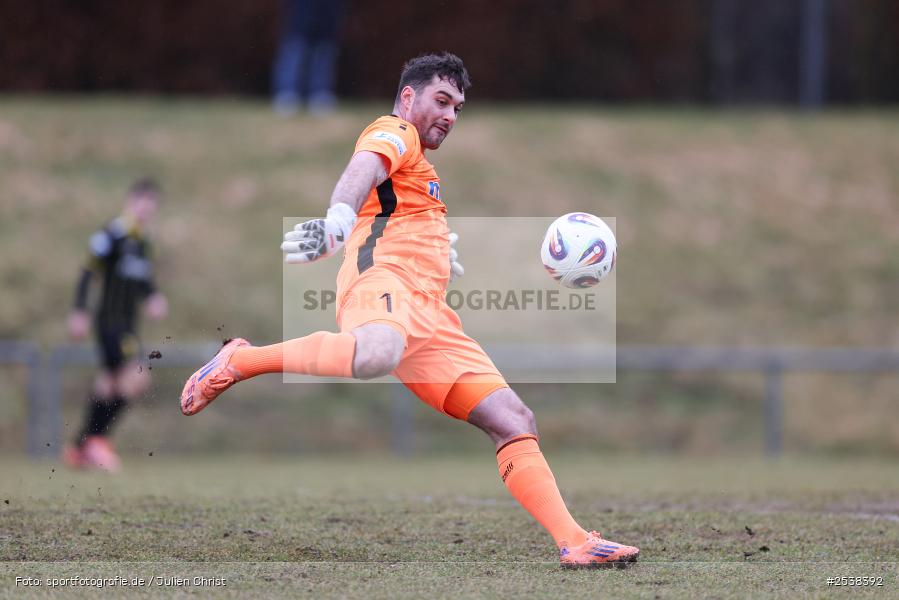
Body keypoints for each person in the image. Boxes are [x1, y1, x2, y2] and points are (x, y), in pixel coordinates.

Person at [181, 53, 639, 568]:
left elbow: (398, 208)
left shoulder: (422, 168)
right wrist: (336, 219)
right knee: (376, 353)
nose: (449, 114)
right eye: (441, 100)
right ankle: (242, 360)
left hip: (430, 313)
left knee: (513, 419)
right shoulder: (394, 130)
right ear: (407, 98)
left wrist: (438, 248)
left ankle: (574, 541)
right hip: (383, 282)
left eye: (458, 107)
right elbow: (364, 167)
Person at [65, 178, 168, 472]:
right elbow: (88, 272)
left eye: (151, 207)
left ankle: (79, 447)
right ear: (130, 202)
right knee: (136, 379)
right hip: (110, 322)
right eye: (141, 204)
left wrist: (152, 296)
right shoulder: (112, 234)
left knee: (108, 385)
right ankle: (96, 441)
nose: (145, 211)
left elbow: (142, 277)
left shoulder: (144, 242)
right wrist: (79, 311)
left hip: (128, 323)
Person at [271, 0, 344, 115]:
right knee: (295, 52)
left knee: (322, 54)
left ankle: (320, 94)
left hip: (327, 18)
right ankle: (287, 93)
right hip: (300, 17)